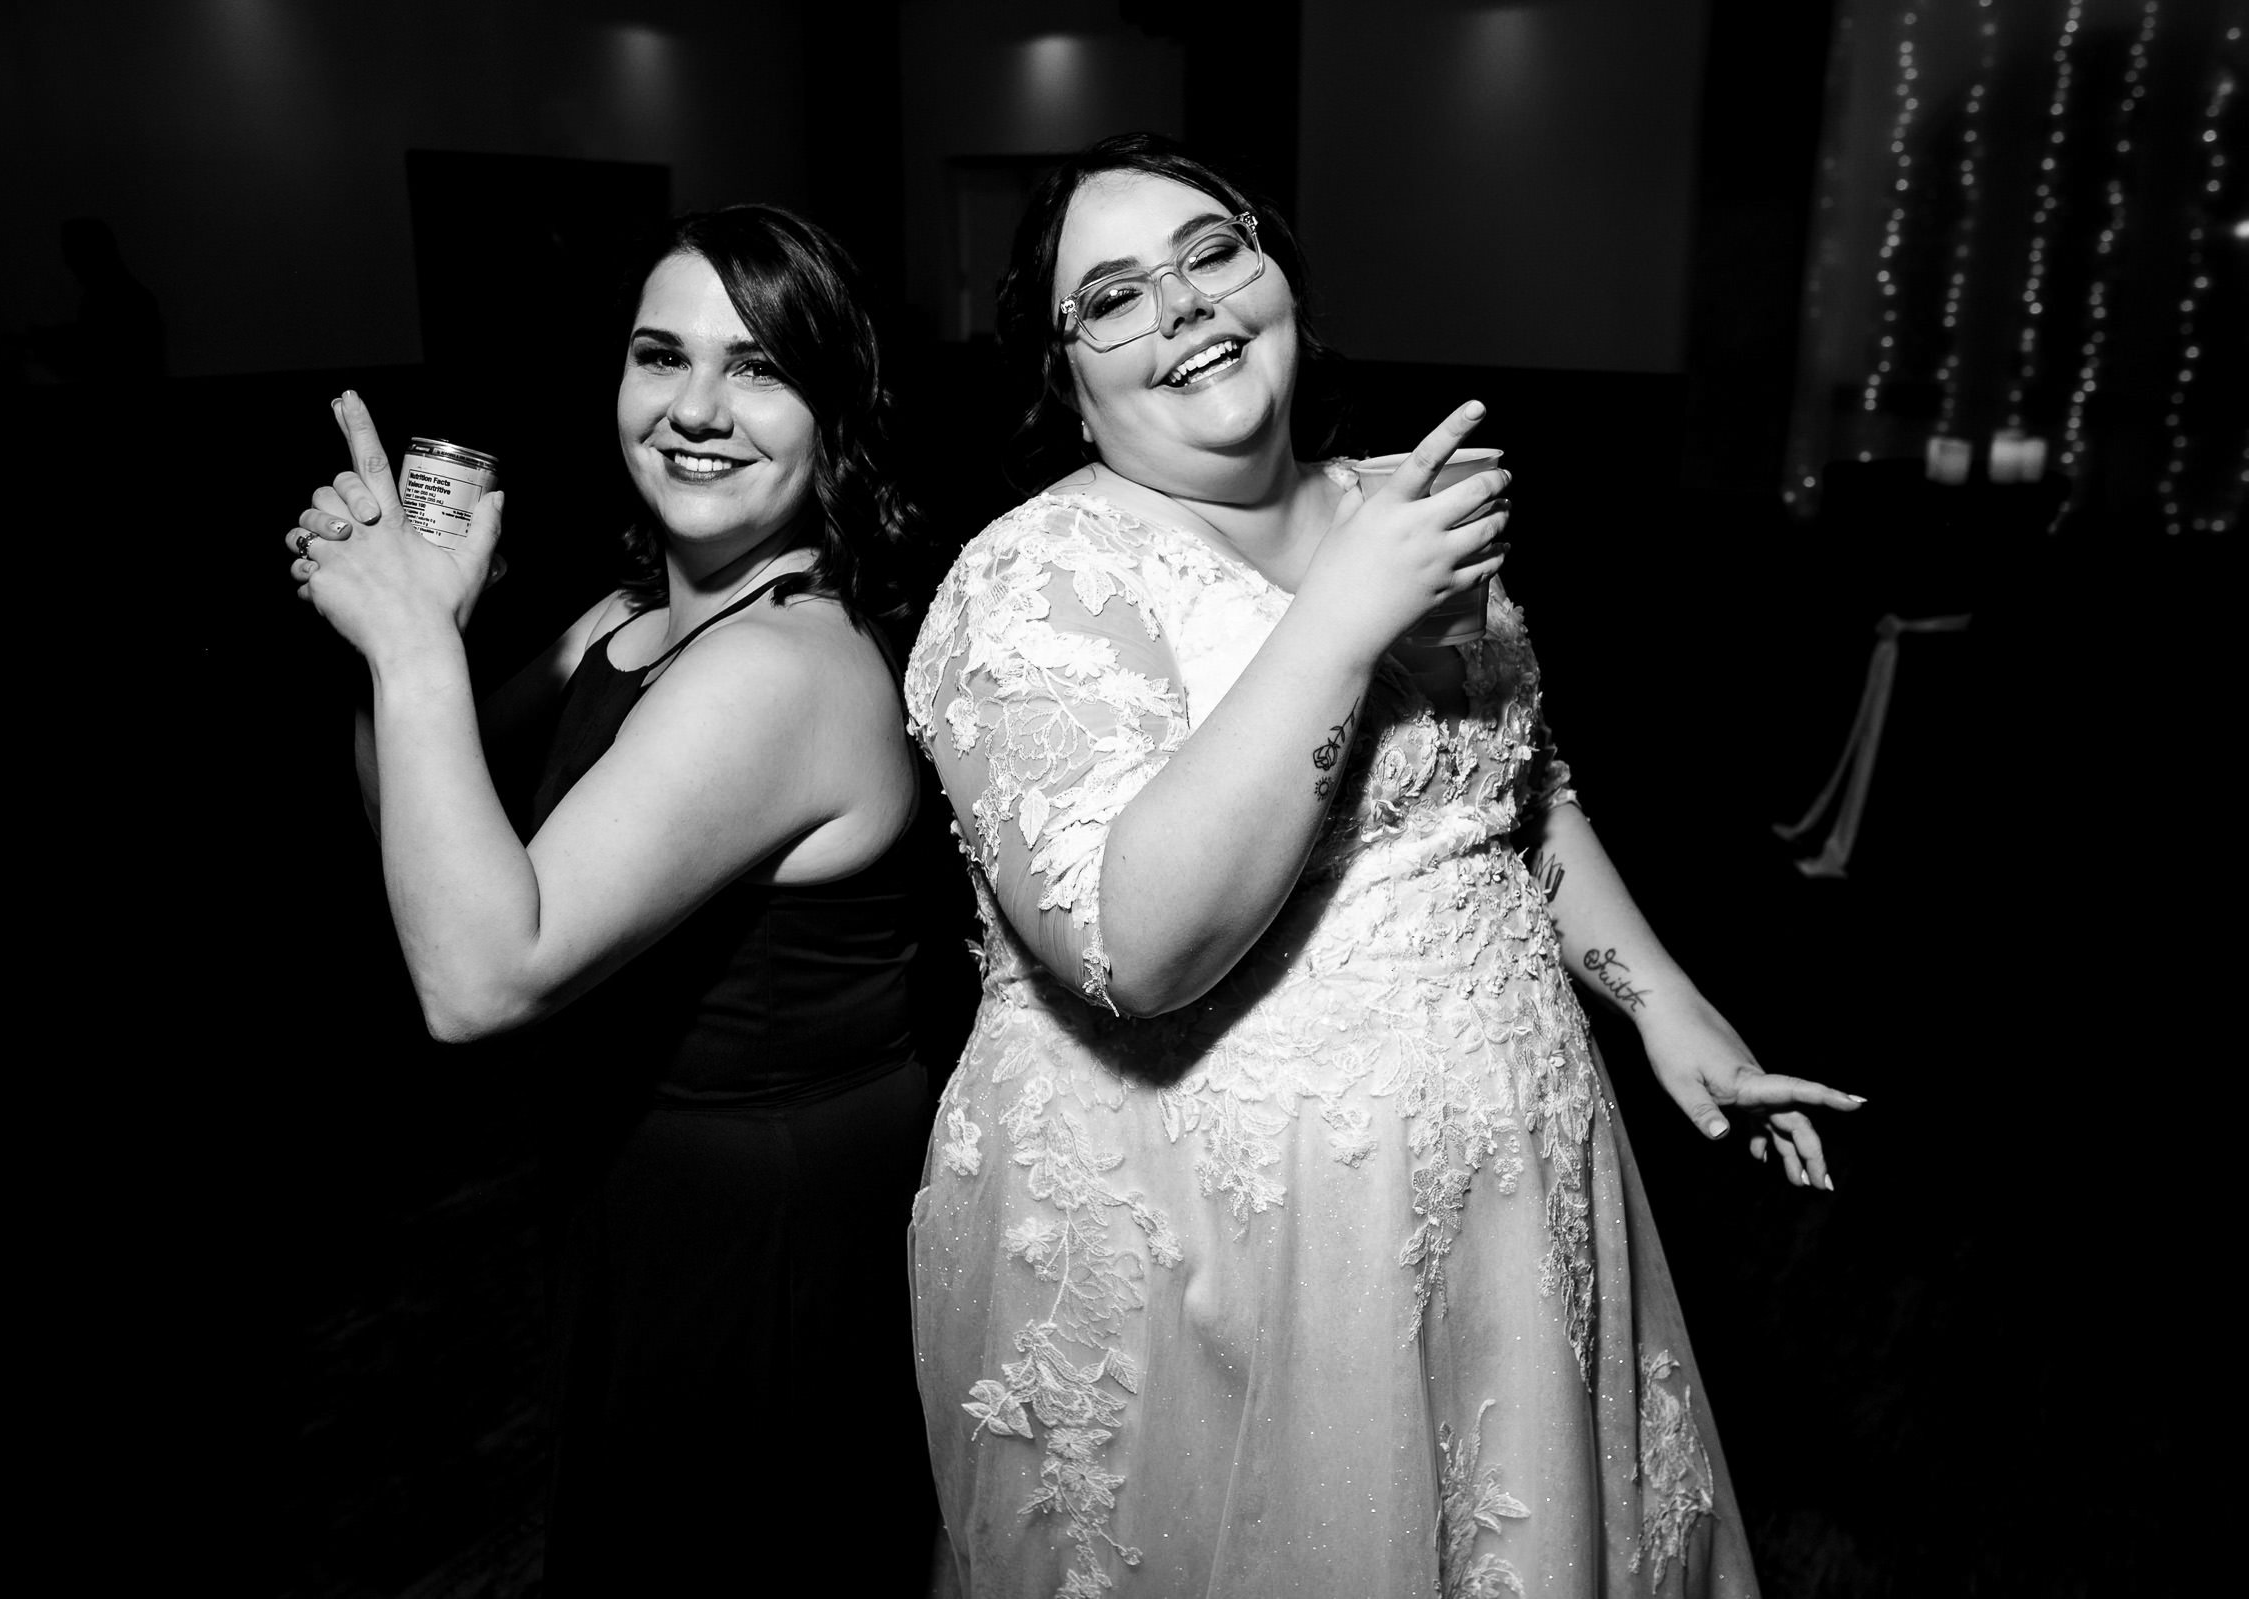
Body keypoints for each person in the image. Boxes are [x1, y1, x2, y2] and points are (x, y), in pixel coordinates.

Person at [902, 133, 1861, 1597]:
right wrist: (1341, 621)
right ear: (1061, 372)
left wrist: (1662, 1001)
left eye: (1213, 251)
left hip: (1511, 1196)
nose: (1184, 306)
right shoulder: (1030, 585)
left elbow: (1513, 795)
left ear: (1277, 271)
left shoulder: (1397, 507)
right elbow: (1138, 950)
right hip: (1222, 1247)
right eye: (1111, 297)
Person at [285, 205, 935, 1589]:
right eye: (662, 356)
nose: (697, 408)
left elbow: (476, 979)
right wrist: (417, 640)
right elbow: (426, 848)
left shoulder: (783, 669)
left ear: (836, 414)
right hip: (632, 1168)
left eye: (759, 368)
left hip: (763, 1211)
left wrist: (409, 644)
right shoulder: (624, 619)